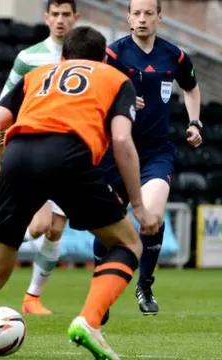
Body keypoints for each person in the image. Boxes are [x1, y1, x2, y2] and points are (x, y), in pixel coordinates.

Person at [0, 26, 161, 360]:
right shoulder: (115, 78)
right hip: (70, 155)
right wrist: (139, 205)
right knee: (127, 243)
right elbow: (121, 139)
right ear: (104, 58)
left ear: (62, 57)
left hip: (18, 157)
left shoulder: (38, 75)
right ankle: (89, 322)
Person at [96, 0, 202, 323]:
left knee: (151, 217)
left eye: (148, 14)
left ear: (159, 17)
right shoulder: (113, 55)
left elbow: (192, 88)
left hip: (156, 153)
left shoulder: (175, 56)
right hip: (116, 152)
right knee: (108, 224)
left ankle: (144, 284)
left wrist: (194, 123)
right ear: (128, 17)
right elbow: (95, 92)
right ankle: (102, 292)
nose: (142, 19)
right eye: (136, 13)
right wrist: (120, 97)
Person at [0, 0, 79, 316]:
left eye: (66, 15)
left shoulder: (86, 58)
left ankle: (32, 298)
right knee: (39, 225)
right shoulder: (28, 57)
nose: (60, 21)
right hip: (33, 149)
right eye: (55, 14)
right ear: (46, 18)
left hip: (70, 154)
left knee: (55, 230)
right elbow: (8, 99)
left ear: (76, 18)